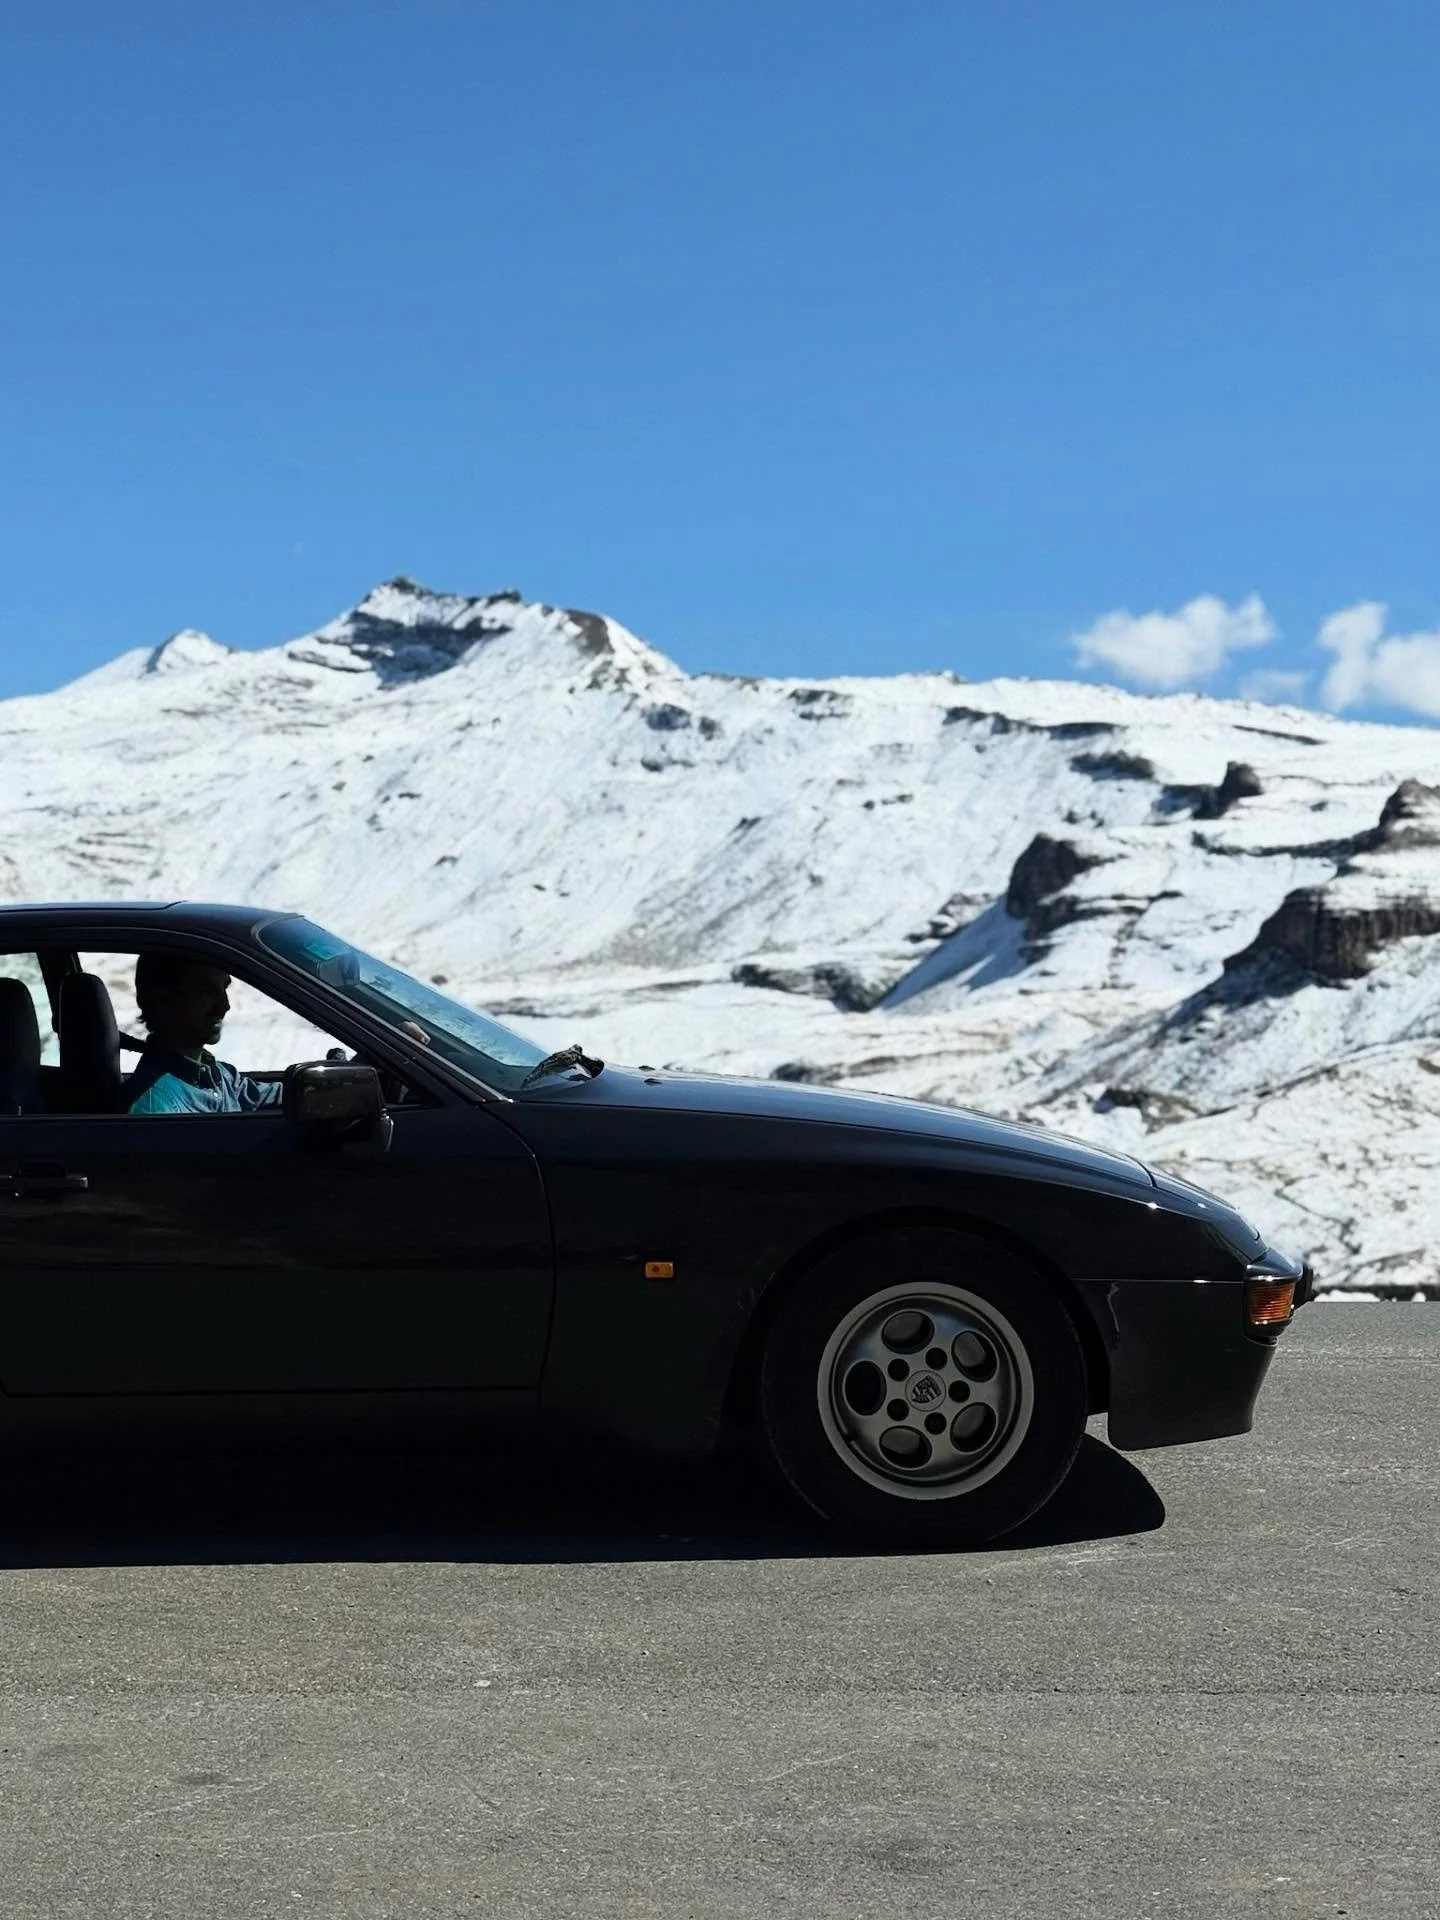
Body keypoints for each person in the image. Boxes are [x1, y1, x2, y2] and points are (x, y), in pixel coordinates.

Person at [126, 953, 283, 1115]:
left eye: (224, 987)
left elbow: (265, 1096)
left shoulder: (216, 1074)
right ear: (164, 1000)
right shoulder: (156, 1108)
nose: (224, 1006)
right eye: (207, 991)